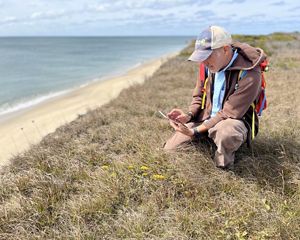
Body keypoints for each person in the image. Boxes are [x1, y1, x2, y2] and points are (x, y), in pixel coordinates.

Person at [164, 25, 267, 169]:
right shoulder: (207, 66)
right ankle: (208, 137)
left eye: (207, 56)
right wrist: (188, 115)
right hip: (205, 118)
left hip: (232, 121)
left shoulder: (250, 73)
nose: (204, 62)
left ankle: (224, 166)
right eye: (201, 57)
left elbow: (228, 113)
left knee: (226, 133)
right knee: (170, 150)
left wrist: (194, 131)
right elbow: (198, 96)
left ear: (225, 49)